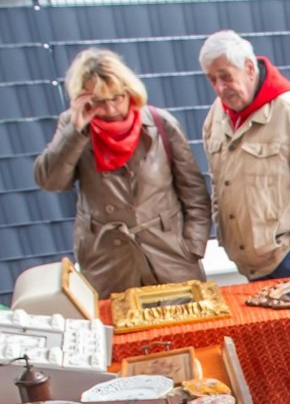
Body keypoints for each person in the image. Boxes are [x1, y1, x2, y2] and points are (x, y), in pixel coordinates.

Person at [32, 49, 210, 298]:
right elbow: (51, 181)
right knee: (120, 322)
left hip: (170, 255)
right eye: (99, 102)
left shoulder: (160, 124)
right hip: (109, 263)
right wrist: (75, 131)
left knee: (187, 321)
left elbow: (193, 191)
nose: (111, 108)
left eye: (117, 97)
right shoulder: (73, 128)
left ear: (130, 91)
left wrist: (192, 246)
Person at [199, 29, 290, 281]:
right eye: (212, 79)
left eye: (226, 76)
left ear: (249, 68)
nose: (219, 88)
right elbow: (218, 184)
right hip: (246, 264)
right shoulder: (216, 115)